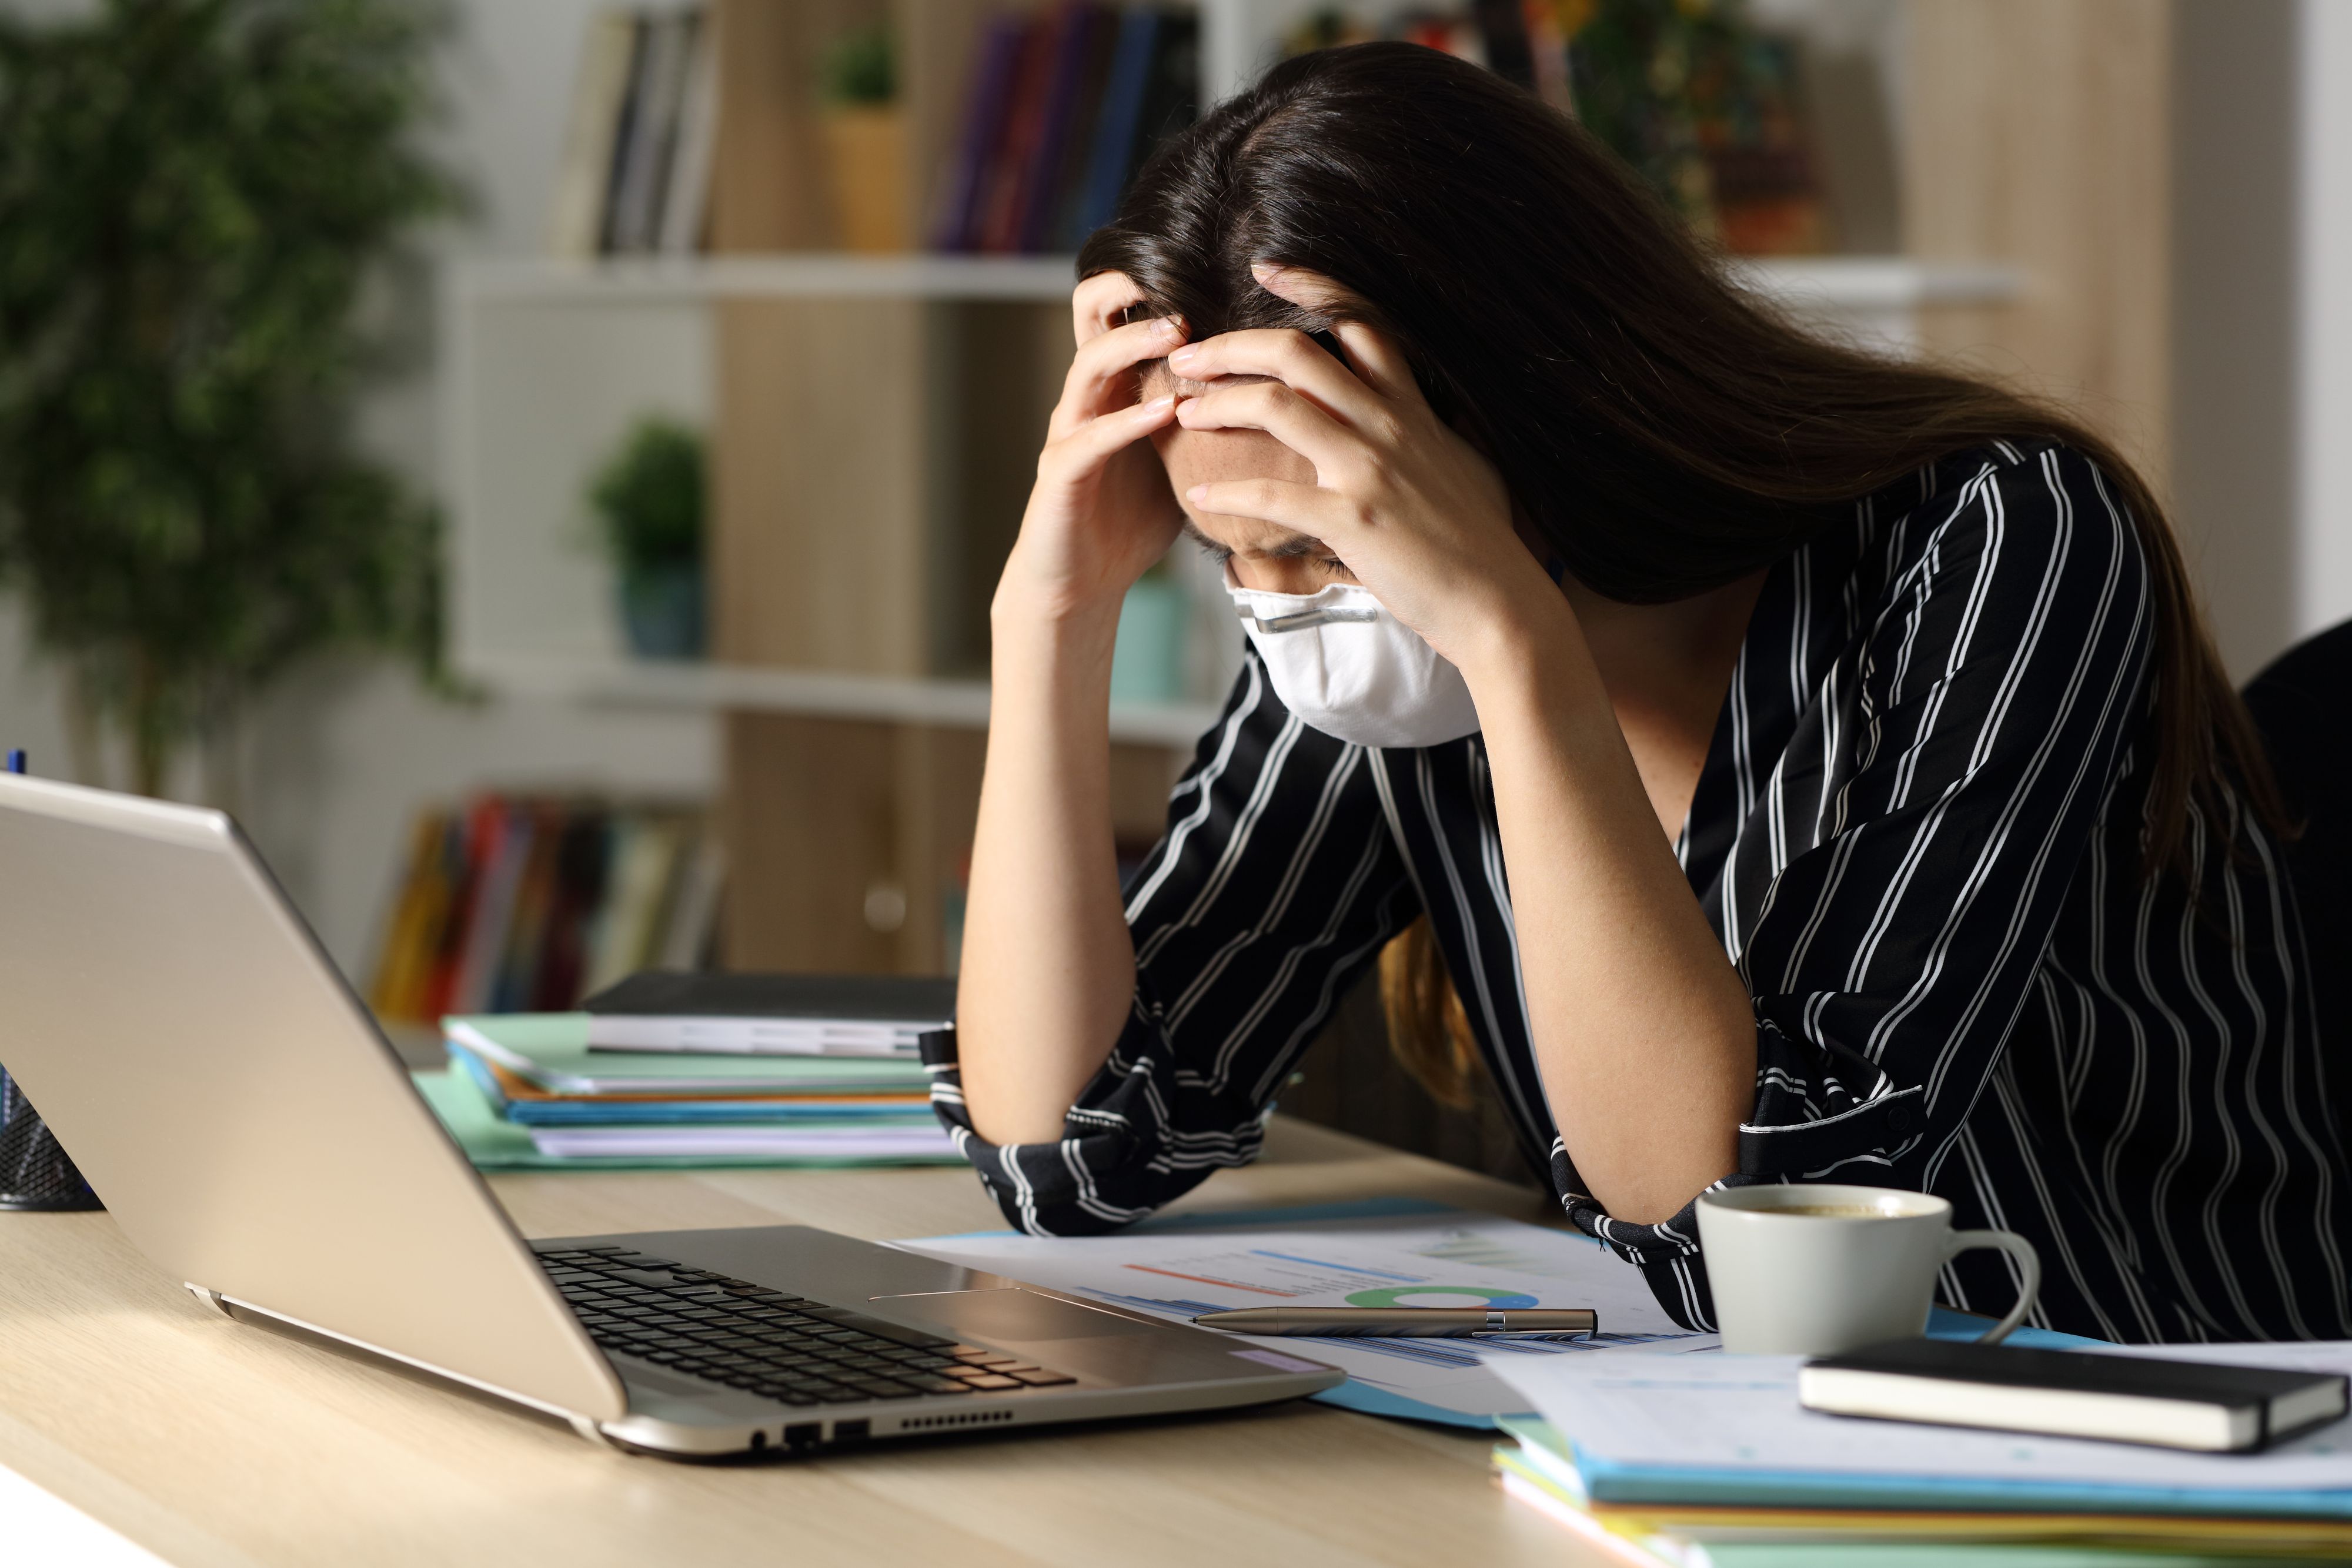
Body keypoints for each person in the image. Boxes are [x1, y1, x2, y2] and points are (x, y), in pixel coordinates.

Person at [930, 42, 2351, 1345]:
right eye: (1236, 555)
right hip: (1729, 1446)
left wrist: (1509, 639)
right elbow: (1076, 1152)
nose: (1292, 607)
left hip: (2154, 1412)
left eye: (1321, 543)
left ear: (1535, 414)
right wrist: (1048, 619)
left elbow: (1759, 1215)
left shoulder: (1998, 535)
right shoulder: (1368, 660)